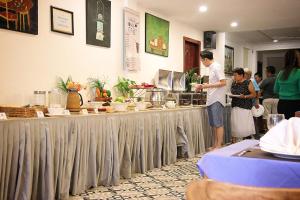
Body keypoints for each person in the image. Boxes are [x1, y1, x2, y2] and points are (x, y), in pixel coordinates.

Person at [195, 50, 226, 150]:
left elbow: (223, 82)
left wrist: (207, 85)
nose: (202, 63)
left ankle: (219, 145)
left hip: (217, 99)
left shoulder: (217, 66)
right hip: (211, 99)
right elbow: (214, 83)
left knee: (218, 124)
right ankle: (215, 145)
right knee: (214, 124)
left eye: (202, 61)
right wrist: (203, 86)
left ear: (206, 59)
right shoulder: (211, 68)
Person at [230, 68, 256, 141]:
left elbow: (254, 95)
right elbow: (233, 92)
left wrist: (244, 96)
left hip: (245, 106)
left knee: (244, 125)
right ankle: (235, 142)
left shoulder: (248, 82)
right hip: (235, 105)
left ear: (241, 75)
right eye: (233, 75)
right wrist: (231, 95)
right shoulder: (234, 83)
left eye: (235, 75)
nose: (234, 77)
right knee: (235, 125)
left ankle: (246, 141)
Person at [274, 49, 300, 119]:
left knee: (284, 126)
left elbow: (275, 90)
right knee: (295, 127)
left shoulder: (280, 73)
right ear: (297, 59)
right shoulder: (298, 72)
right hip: (296, 104)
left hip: (282, 104)